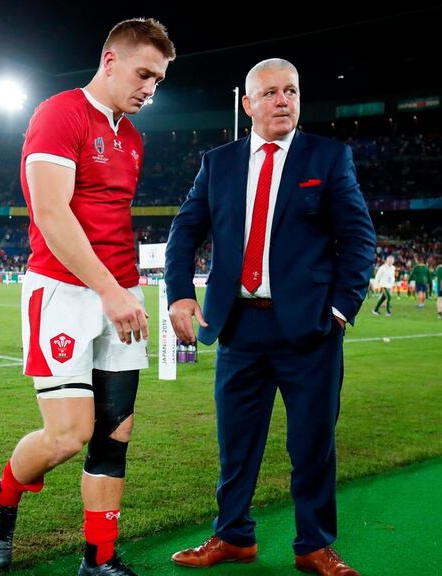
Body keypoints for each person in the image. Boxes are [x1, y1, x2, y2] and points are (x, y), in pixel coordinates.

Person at [0, 18, 175, 576]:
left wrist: (124, 290)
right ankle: (4, 498)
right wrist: (111, 290)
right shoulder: (58, 114)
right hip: (64, 292)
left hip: (121, 294)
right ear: (109, 60)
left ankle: (100, 561)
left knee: (114, 436)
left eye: (158, 81)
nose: (149, 89)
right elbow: (51, 212)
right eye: (143, 74)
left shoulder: (132, 138)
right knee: (69, 435)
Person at [164, 58, 375, 576]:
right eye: (271, 93)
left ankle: (314, 545)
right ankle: (233, 536)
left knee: (313, 444)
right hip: (236, 326)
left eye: (291, 91)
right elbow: (184, 232)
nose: (283, 101)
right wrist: (178, 294)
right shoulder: (219, 163)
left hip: (310, 330)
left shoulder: (328, 158)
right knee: (236, 444)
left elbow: (359, 239)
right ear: (248, 104)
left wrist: (340, 310)